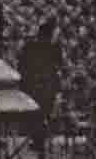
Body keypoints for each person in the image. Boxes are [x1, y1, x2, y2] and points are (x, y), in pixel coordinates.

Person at [18, 18, 64, 146]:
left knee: (36, 114)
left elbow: (21, 65)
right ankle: (40, 138)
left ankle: (37, 138)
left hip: (33, 85)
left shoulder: (30, 46)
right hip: (47, 85)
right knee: (44, 113)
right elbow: (59, 66)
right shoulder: (54, 47)